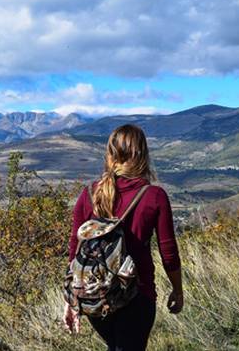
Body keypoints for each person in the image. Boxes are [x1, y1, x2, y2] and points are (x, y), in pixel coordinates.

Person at [63, 124, 183, 351]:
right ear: (142, 154)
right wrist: (178, 291)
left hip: (95, 296)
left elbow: (75, 250)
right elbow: (169, 253)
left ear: (110, 154)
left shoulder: (89, 193)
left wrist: (72, 300)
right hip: (137, 294)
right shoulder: (154, 196)